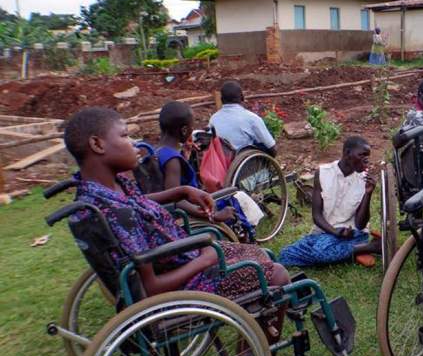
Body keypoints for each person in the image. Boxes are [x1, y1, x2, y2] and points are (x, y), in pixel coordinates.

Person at [63, 106, 290, 301]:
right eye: (124, 136)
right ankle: (256, 347)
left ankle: (251, 332)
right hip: (187, 279)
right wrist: (204, 260)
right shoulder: (118, 214)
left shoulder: (103, 192)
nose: (135, 144)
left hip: (182, 257)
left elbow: (138, 202)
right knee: (277, 274)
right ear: (97, 144)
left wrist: (180, 191)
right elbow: (151, 288)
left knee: (261, 255)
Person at [156, 100, 257, 239]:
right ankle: (246, 244)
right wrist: (212, 215)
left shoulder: (159, 152)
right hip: (189, 213)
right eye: (192, 127)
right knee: (236, 200)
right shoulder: (172, 159)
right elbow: (174, 199)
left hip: (192, 204)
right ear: (184, 130)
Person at [278, 136, 380, 268]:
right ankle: (355, 251)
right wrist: (334, 231)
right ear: (347, 153)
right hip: (325, 231)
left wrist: (368, 193)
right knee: (285, 255)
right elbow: (317, 216)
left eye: (368, 156)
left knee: (320, 252)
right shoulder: (323, 173)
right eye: (362, 155)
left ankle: (371, 246)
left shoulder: (364, 180)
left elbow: (360, 224)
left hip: (352, 233)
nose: (366, 159)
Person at [208, 80, 277, 156]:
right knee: (267, 137)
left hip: (220, 161)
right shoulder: (251, 118)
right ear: (242, 97)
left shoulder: (213, 119)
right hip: (243, 163)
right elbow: (271, 147)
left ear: (221, 99)